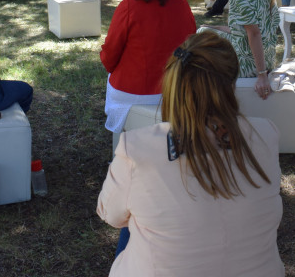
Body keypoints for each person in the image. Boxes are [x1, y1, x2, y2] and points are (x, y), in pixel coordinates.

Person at [97, 32, 283, 276]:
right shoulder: (265, 134)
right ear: (231, 85)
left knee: (136, 214)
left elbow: (110, 214)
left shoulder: (136, 149)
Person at [100, 0, 196, 133]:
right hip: (173, 88)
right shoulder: (183, 5)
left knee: (111, 79)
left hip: (133, 90)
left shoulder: (128, 6)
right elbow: (192, 45)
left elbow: (110, 54)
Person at [201, 0, 279, 99]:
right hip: (268, 61)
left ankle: (208, 93)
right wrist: (212, 27)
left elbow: (254, 33)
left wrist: (262, 76)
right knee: (205, 30)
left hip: (248, 67)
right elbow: (243, 30)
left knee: (199, 36)